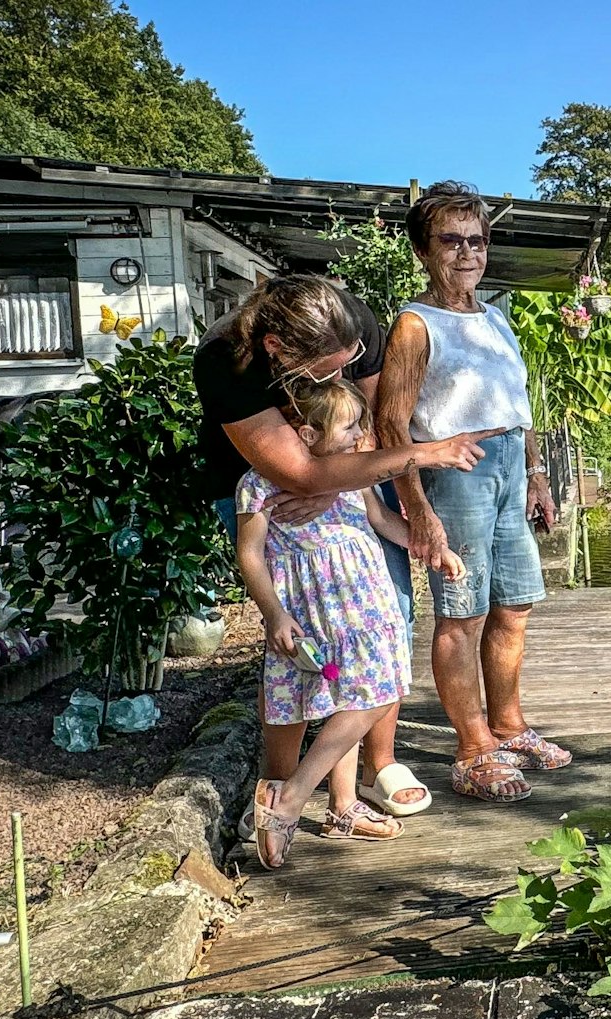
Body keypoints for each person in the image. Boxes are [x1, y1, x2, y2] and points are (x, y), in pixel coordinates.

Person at [195, 275, 500, 819]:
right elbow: (298, 474)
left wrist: (344, 486)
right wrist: (333, 477)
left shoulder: (351, 319)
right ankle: (279, 786)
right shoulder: (229, 359)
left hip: (350, 481)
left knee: (386, 625)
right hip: (264, 496)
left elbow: (371, 424)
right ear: (278, 351)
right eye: (327, 369)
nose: (342, 374)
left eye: (350, 360)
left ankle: (374, 769)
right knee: (298, 656)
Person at [375, 182, 566, 803]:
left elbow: (519, 405)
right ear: (424, 251)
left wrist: (536, 473)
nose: (467, 253)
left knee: (515, 604)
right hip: (454, 471)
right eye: (451, 241)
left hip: (509, 463)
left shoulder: (497, 318)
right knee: (462, 611)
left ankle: (508, 727)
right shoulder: (413, 324)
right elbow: (389, 426)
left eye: (477, 241)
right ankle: (472, 747)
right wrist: (418, 509)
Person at [237, 379, 460, 866]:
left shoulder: (354, 478)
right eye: (350, 425)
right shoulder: (257, 484)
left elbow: (383, 522)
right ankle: (291, 794)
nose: (361, 435)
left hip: (367, 615)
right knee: (363, 697)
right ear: (307, 435)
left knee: (362, 697)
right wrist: (273, 612)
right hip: (313, 616)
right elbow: (249, 553)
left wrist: (432, 549)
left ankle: (341, 807)